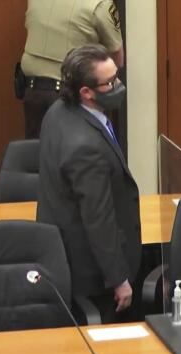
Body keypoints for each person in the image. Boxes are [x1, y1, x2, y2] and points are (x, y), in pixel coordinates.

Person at [37, 44, 140, 323]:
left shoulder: (59, 111)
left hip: (63, 255)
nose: (118, 85)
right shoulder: (85, 147)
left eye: (116, 76)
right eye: (110, 83)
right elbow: (99, 219)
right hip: (93, 276)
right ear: (86, 92)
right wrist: (119, 279)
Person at [20, 0, 124, 139]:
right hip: (72, 97)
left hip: (33, 93)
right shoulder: (99, 4)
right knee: (78, 154)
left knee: (38, 153)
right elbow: (117, 57)